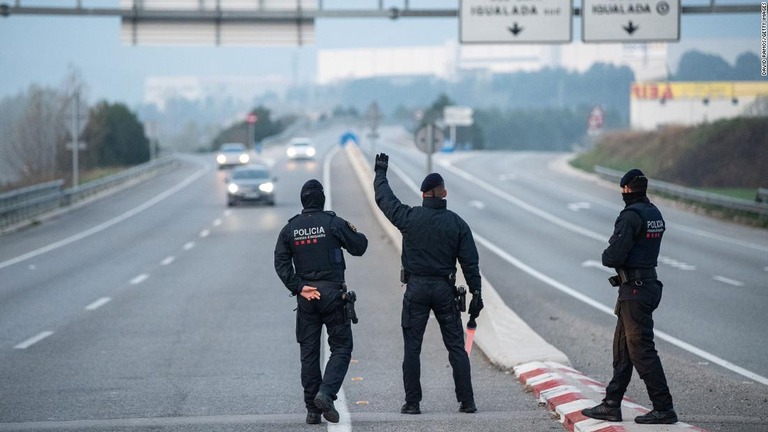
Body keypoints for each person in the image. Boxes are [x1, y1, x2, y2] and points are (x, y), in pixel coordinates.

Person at [372, 153, 483, 415]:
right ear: (443, 193)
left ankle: (412, 403)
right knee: (456, 347)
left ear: (423, 195)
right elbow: (470, 263)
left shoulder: (409, 218)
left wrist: (380, 174)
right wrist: (476, 293)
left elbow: (385, 200)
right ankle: (467, 402)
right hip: (445, 291)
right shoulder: (457, 223)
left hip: (416, 290)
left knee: (412, 348)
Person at [581, 169, 678, 425]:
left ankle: (664, 408)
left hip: (634, 290)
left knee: (641, 350)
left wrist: (608, 252)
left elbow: (612, 257)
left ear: (625, 190)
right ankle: (612, 404)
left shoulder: (630, 216)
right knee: (624, 350)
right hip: (647, 285)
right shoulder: (654, 213)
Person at [274, 179, 368, 425]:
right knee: (342, 347)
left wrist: (298, 287)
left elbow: (280, 263)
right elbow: (360, 247)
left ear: (303, 201)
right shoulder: (333, 223)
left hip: (306, 297)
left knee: (309, 353)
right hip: (333, 296)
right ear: (322, 199)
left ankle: (312, 411)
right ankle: (326, 394)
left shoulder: (290, 229)